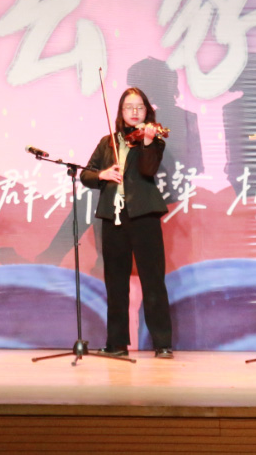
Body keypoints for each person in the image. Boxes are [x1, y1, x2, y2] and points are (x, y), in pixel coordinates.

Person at [81, 87, 174, 359]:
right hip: (114, 217)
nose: (134, 112)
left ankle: (162, 343)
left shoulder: (154, 140)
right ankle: (117, 343)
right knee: (115, 282)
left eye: (139, 107)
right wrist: (103, 174)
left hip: (144, 216)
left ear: (147, 111)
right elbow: (86, 175)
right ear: (121, 112)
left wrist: (148, 143)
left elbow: (148, 169)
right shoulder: (107, 142)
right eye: (129, 107)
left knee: (153, 281)